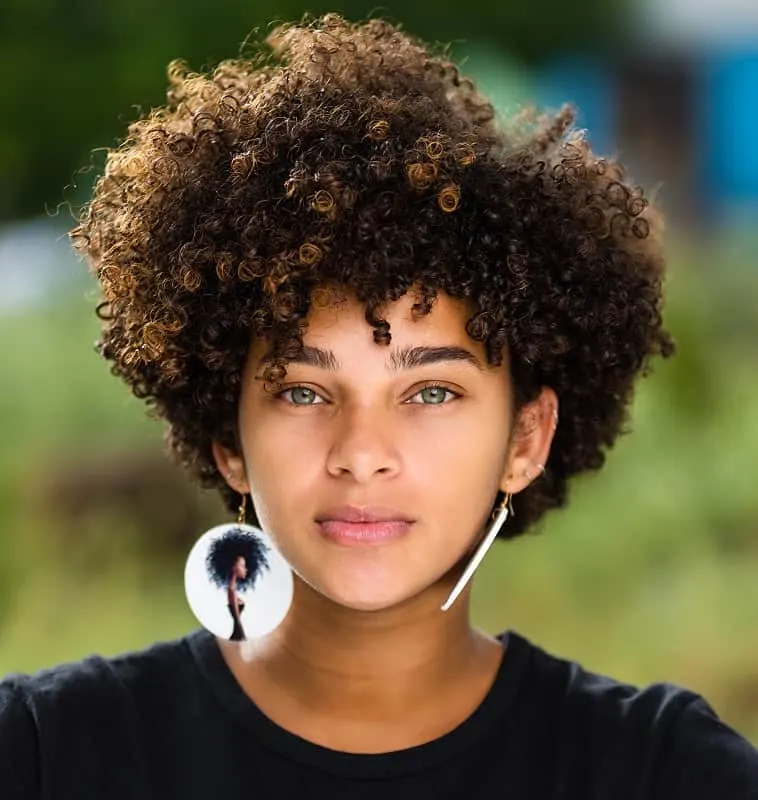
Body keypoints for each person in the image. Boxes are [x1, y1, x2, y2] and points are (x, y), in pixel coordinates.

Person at [1, 12, 757, 799]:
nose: (362, 452)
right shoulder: (43, 754)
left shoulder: (663, 772)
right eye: (303, 391)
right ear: (229, 436)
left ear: (525, 440)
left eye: (431, 391)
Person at [203, 525, 271, 642]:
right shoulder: (231, 589)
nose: (246, 569)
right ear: (234, 567)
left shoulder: (232, 589)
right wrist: (242, 631)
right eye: (243, 566)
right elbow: (236, 616)